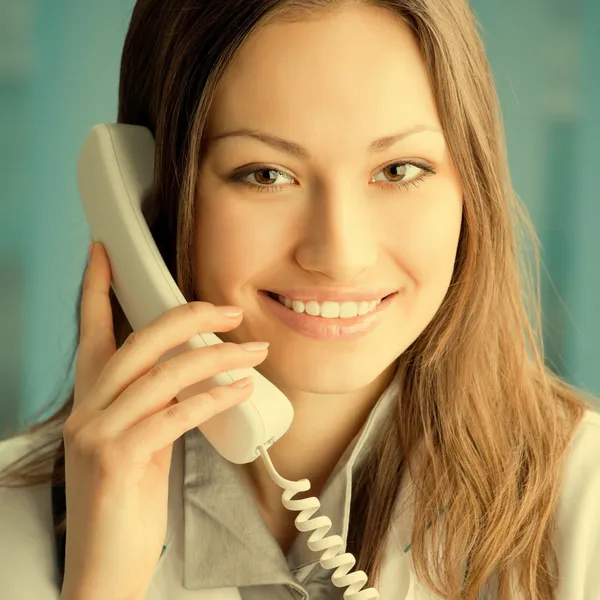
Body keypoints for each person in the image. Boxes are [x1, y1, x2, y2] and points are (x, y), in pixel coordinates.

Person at [1, 0, 599, 598]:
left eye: (398, 170)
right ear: (149, 196)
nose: (341, 254)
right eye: (266, 174)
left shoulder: (585, 505)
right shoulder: (14, 523)